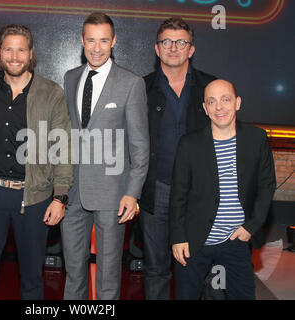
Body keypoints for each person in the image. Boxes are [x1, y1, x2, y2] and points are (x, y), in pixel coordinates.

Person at [0, 24, 73, 300]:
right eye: (8, 49)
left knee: (31, 277)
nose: (14, 56)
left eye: (21, 49)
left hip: (34, 196)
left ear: (31, 54)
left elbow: (61, 147)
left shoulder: (51, 93)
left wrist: (60, 197)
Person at [61, 12, 149, 300]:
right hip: (73, 192)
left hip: (114, 195)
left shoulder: (131, 83)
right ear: (82, 41)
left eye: (103, 41)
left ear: (114, 41)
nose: (96, 48)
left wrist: (132, 193)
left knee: (109, 276)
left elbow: (139, 146)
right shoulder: (71, 77)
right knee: (73, 271)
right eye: (90, 40)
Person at [169, 79, 276, 299]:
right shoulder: (189, 144)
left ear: (237, 103)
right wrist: (178, 237)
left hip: (236, 239)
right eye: (212, 102)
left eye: (225, 100)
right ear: (205, 108)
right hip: (195, 240)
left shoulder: (257, 139)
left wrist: (251, 226)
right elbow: (178, 195)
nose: (219, 107)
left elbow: (266, 186)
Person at [137, 17, 216, 300]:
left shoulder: (211, 88)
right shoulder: (139, 89)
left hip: (199, 194)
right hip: (155, 189)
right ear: (157, 49)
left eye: (181, 42)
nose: (173, 48)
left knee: (200, 268)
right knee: (156, 268)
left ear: (191, 49)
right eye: (166, 42)